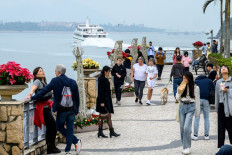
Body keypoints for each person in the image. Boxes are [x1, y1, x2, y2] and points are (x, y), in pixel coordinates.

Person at [26, 64, 82, 155]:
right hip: (72, 109)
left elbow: (44, 91)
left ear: (58, 72)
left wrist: (32, 97)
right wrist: (77, 110)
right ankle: (68, 150)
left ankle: (75, 142)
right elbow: (77, 97)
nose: (54, 72)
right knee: (70, 129)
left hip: (62, 110)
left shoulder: (55, 81)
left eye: (55, 71)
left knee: (59, 127)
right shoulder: (72, 82)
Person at [26, 67, 61, 154]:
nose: (42, 72)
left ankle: (51, 147)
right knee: (52, 126)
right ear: (36, 74)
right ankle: (50, 147)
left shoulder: (43, 82)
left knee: (50, 127)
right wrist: (30, 94)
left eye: (42, 70)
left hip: (46, 107)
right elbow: (34, 87)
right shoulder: (38, 81)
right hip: (43, 109)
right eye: (40, 71)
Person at [176, 71, 200, 155]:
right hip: (182, 106)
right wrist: (180, 91)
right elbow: (177, 98)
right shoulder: (181, 86)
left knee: (187, 127)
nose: (184, 80)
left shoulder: (196, 87)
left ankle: (188, 147)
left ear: (189, 78)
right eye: (183, 78)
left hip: (191, 106)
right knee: (182, 128)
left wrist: (197, 112)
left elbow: (197, 100)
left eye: (185, 78)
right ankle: (184, 146)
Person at [96, 66, 120, 138]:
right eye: (109, 71)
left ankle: (102, 132)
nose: (109, 73)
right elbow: (100, 91)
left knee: (103, 116)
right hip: (104, 100)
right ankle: (110, 131)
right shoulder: (102, 79)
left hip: (106, 99)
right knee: (106, 115)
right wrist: (102, 102)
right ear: (105, 71)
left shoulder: (104, 78)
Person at [192, 74, 215, 141]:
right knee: (206, 118)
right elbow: (214, 88)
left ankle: (195, 135)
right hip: (207, 100)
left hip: (198, 100)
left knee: (197, 117)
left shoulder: (196, 81)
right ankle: (206, 135)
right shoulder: (209, 81)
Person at [215, 66, 232, 148]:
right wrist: (216, 107)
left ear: (228, 71)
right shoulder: (218, 82)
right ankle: (221, 146)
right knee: (221, 127)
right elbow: (217, 96)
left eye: (225, 67)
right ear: (220, 72)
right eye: (222, 68)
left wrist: (228, 91)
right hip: (221, 105)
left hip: (230, 106)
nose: (223, 68)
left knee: (230, 126)